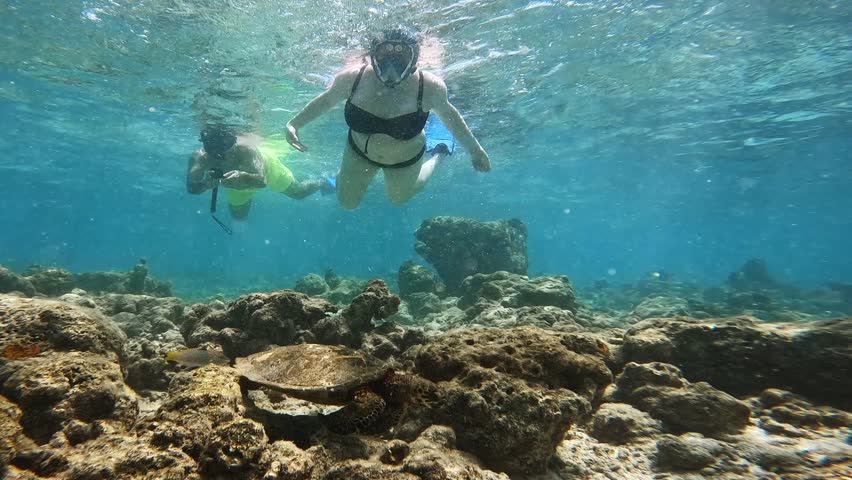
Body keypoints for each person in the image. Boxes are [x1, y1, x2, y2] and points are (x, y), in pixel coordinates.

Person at [284, 27, 491, 209]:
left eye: (402, 56)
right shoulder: (353, 79)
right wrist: (294, 124)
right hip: (358, 153)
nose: (392, 64)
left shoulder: (429, 87)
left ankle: (438, 155)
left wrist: (476, 151)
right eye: (384, 54)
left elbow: (451, 116)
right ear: (372, 55)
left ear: (414, 59)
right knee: (347, 204)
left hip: (405, 160)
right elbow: (327, 100)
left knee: (398, 199)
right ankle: (340, 177)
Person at [186, 125, 331, 220]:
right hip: (234, 184)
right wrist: (206, 184)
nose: (224, 155)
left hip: (267, 170)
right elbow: (191, 188)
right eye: (215, 152)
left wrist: (243, 176)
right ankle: (240, 244)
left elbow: (262, 181)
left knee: (299, 193)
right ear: (207, 148)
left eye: (227, 148)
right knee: (238, 217)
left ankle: (323, 181)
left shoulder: (247, 149)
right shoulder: (200, 158)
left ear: (233, 142)